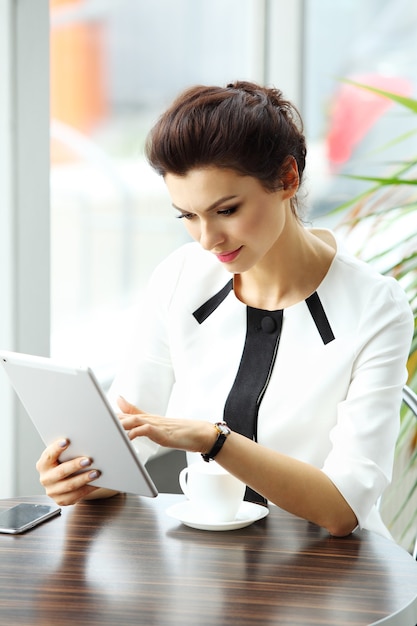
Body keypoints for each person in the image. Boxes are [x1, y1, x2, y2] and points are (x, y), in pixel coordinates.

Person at [36, 81, 414, 538]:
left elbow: (343, 509)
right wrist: (82, 478)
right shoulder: (180, 277)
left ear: (287, 179)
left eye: (227, 209)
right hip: (207, 561)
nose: (207, 239)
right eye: (188, 216)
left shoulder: (376, 306)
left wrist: (212, 440)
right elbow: (130, 429)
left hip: (332, 573)